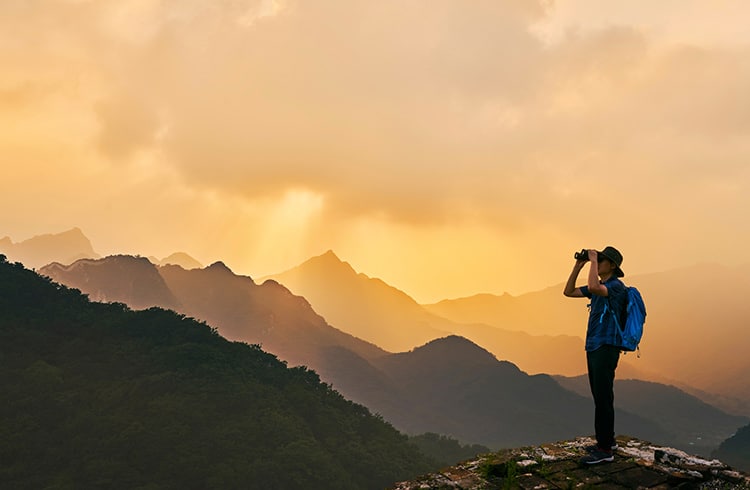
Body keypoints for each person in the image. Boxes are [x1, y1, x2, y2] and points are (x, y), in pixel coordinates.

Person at [563, 246, 628, 465]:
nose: (598, 263)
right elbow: (568, 291)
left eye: (602, 260)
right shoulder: (599, 286)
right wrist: (578, 265)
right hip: (594, 346)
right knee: (600, 396)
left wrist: (591, 261)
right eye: (598, 260)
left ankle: (605, 450)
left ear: (613, 266)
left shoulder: (616, 287)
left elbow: (593, 286)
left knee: (602, 397)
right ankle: (607, 441)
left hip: (606, 347)